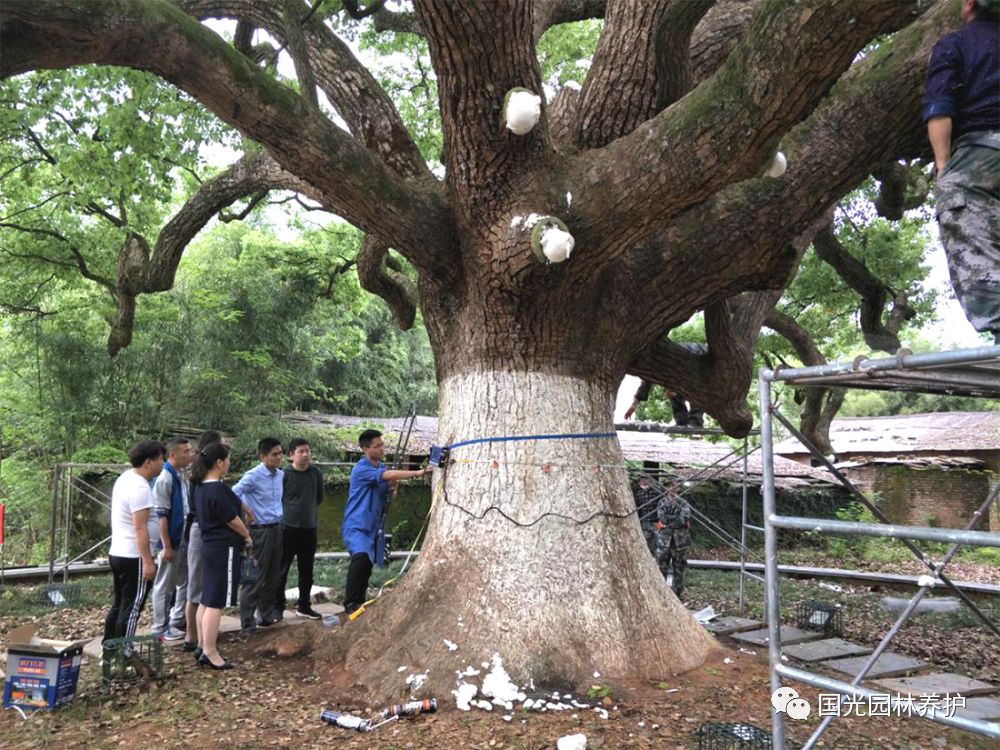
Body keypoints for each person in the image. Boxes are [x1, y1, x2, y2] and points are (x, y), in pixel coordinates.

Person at [923, 0, 1000, 343]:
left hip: (979, 157)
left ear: (969, 4)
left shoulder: (956, 43)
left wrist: (943, 167)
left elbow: (939, 109)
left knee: (979, 260)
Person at [342, 429, 432, 616]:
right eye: (378, 446)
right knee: (361, 558)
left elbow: (388, 494)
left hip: (373, 526)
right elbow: (387, 476)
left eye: (382, 445)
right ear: (365, 449)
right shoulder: (361, 468)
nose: (382, 448)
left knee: (367, 564)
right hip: (357, 524)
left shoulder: (379, 468)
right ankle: (350, 603)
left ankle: (359, 601)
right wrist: (418, 473)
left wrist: (392, 490)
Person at [192, 441, 253, 670]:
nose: (229, 464)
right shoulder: (215, 490)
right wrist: (247, 535)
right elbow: (231, 519)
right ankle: (210, 650)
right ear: (219, 463)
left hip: (209, 546)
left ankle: (201, 644)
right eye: (227, 460)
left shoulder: (201, 486)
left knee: (206, 599)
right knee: (216, 602)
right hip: (223, 548)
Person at [102, 440, 165, 646]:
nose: (163, 464)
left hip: (119, 552)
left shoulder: (125, 478)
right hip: (134, 557)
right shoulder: (140, 487)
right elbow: (140, 527)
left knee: (120, 604)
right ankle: (124, 651)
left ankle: (109, 647)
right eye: (160, 459)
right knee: (132, 608)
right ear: (148, 462)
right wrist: (147, 561)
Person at [181, 430, 227, 654]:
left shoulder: (204, 475)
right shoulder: (200, 476)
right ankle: (193, 635)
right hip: (201, 530)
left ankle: (202, 636)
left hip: (203, 530)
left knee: (202, 587)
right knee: (197, 587)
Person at [233, 437, 284, 632]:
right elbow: (233, 493)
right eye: (274, 454)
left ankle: (266, 615)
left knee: (272, 575)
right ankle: (247, 622)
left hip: (277, 528)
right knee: (254, 576)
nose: (279, 457)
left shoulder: (280, 475)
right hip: (259, 531)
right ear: (262, 457)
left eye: (280, 453)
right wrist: (247, 511)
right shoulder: (253, 476)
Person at [149, 437, 193, 641]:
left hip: (183, 537)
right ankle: (159, 626)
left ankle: (176, 618)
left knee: (184, 579)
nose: (189, 455)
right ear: (173, 455)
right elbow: (162, 515)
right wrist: (166, 545)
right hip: (171, 541)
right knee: (164, 583)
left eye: (190, 450)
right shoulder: (165, 478)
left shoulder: (181, 475)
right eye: (185, 451)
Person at [277, 438, 325, 620]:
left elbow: (319, 498)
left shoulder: (316, 473)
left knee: (307, 571)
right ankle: (277, 608)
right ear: (291, 455)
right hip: (287, 529)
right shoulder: (284, 475)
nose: (305, 455)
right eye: (301, 452)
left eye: (307, 451)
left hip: (309, 528)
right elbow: (278, 500)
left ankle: (304, 606)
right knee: (282, 570)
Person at [655, 483, 691, 598]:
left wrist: (672, 522)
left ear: (678, 488)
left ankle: (678, 593)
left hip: (679, 541)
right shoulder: (661, 502)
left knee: (679, 566)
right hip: (664, 541)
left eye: (674, 486)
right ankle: (661, 593)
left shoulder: (683, 503)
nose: (672, 488)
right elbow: (662, 518)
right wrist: (674, 521)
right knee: (662, 566)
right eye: (669, 486)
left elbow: (684, 518)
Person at [625, 379, 705, 429]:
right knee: (672, 394)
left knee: (696, 390)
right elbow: (646, 383)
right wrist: (634, 405)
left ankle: (696, 421)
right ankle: (682, 421)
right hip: (677, 378)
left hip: (696, 379)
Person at [632, 474, 658, 556]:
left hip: (655, 521)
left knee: (655, 542)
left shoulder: (655, 492)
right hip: (644, 521)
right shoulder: (638, 493)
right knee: (645, 540)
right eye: (643, 479)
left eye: (646, 479)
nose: (644, 481)